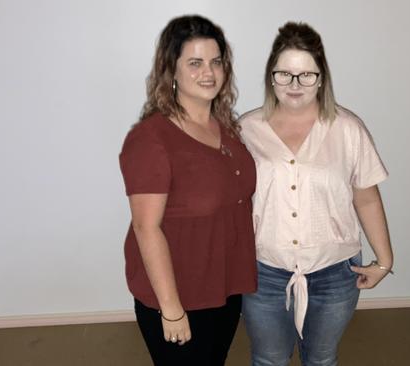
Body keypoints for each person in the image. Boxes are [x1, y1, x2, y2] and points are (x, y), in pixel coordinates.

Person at [239, 22, 394, 366]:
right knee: (268, 359)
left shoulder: (348, 129)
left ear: (322, 78)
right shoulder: (246, 130)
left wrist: (384, 261)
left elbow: (366, 197)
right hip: (264, 271)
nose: (295, 85)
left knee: (321, 359)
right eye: (284, 74)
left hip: (335, 273)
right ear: (271, 77)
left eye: (306, 75)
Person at [118, 15, 257, 365]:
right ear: (172, 71)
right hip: (178, 293)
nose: (208, 72)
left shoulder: (225, 127)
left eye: (216, 61)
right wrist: (172, 309)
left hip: (223, 285)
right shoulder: (151, 139)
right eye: (194, 63)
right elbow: (145, 228)